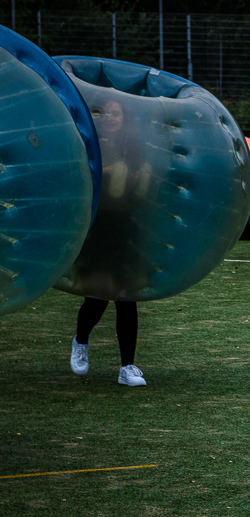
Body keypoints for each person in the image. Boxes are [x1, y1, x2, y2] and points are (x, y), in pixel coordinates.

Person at [69, 98, 146, 386]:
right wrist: (109, 173)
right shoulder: (91, 141)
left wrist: (137, 177)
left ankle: (128, 366)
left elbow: (143, 182)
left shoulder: (134, 145)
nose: (112, 117)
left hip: (126, 227)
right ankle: (81, 340)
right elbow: (80, 174)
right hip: (98, 227)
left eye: (118, 112)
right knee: (98, 295)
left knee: (126, 296)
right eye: (106, 112)